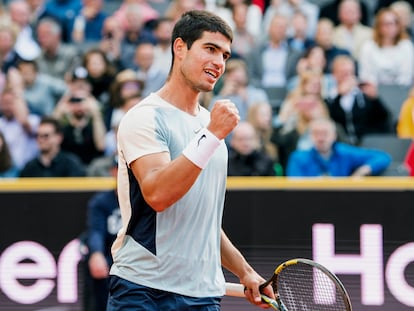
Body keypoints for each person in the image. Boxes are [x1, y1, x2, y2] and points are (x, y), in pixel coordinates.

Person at [107, 10, 274, 310]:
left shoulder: (211, 127)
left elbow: (203, 221)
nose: (219, 63)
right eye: (210, 49)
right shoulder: (145, 117)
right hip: (142, 289)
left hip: (201, 294)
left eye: (225, 55)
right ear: (180, 47)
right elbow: (158, 194)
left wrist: (245, 271)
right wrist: (211, 135)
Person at [286, 118, 392, 177]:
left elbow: (383, 157)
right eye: (316, 134)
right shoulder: (298, 158)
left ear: (334, 136)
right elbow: (294, 187)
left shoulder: (344, 152)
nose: (321, 138)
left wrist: (363, 170)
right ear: (310, 137)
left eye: (325, 134)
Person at [83, 155, 121, 310]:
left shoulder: (145, 198)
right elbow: (96, 231)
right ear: (113, 171)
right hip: (111, 258)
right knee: (95, 261)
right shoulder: (101, 202)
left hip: (137, 259)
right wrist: (96, 253)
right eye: (119, 169)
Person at [326, 55, 391, 145]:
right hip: (340, 144)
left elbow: (384, 118)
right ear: (334, 75)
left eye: (350, 73)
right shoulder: (329, 97)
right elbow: (329, 118)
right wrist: (339, 96)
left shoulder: (364, 95)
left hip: (366, 143)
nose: (347, 77)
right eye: (343, 73)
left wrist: (375, 99)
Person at [358, 7, 414, 86]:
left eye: (394, 23)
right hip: (374, 93)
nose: (390, 27)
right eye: (386, 24)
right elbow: (366, 76)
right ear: (379, 26)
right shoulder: (368, 47)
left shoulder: (406, 46)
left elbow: (407, 76)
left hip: (401, 92)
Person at [19, 116, 86, 177]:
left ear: (59, 138)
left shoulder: (71, 165)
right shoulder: (30, 168)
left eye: (46, 136)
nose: (40, 139)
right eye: (38, 135)